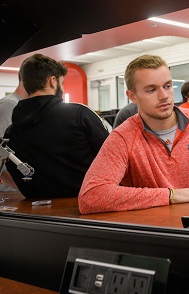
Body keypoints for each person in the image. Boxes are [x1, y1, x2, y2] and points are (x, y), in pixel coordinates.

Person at [78, 54, 189, 214]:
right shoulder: (123, 137)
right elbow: (91, 196)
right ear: (132, 96)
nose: (164, 96)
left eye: (168, 86)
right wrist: (170, 196)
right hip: (154, 235)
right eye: (151, 90)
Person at [1, 54, 109, 198]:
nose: (63, 89)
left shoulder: (11, 133)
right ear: (52, 81)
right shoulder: (79, 115)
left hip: (36, 214)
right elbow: (113, 157)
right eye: (62, 82)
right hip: (88, 208)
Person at [0, 68, 28, 192]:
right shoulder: (9, 106)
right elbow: (0, 154)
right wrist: (22, 188)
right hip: (10, 196)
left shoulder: (23, 107)